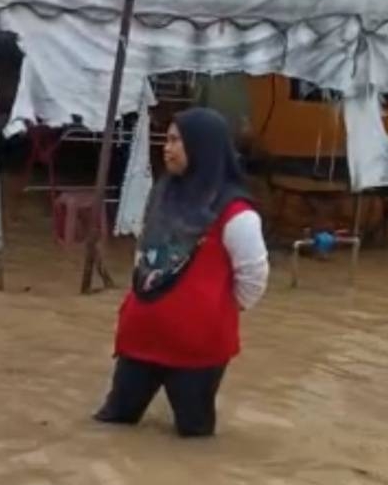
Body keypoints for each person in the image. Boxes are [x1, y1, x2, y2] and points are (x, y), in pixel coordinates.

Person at [94, 108, 269, 437]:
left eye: (177, 141)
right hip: (140, 338)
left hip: (197, 350)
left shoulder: (236, 213)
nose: (167, 148)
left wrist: (211, 308)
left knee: (194, 436)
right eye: (167, 139)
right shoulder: (162, 193)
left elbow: (253, 279)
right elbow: (144, 255)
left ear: (202, 147)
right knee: (113, 422)